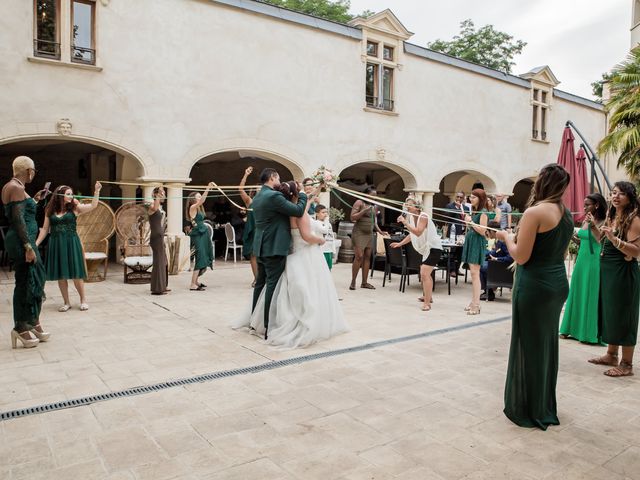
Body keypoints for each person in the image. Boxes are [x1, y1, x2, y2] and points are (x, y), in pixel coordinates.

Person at [497, 163, 573, 430]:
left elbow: (521, 256)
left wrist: (506, 237)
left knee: (529, 345)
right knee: (545, 345)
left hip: (535, 286)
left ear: (542, 182)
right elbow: (560, 253)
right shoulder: (566, 214)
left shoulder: (535, 212)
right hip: (557, 283)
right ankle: (543, 403)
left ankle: (530, 407)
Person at [237, 181, 347, 348]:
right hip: (304, 254)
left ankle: (264, 321)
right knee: (307, 292)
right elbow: (307, 236)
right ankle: (283, 324)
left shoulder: (286, 211)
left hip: (290, 254)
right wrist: (321, 239)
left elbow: (305, 203)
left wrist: (316, 188)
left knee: (283, 290)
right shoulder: (298, 212)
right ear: (297, 194)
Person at [588, 182, 640, 377]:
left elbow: (635, 252)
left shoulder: (634, 220)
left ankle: (627, 363)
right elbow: (602, 242)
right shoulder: (612, 215)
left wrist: (614, 239)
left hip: (623, 274)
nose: (615, 196)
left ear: (630, 196)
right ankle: (611, 354)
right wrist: (595, 227)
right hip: (609, 272)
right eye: (613, 193)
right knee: (611, 312)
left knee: (624, 314)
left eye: (620, 193)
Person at [251, 169, 307, 338]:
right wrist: (303, 194)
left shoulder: (258, 196)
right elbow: (298, 211)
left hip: (260, 246)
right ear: (272, 177)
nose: (279, 180)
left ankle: (255, 321)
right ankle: (269, 326)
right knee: (272, 287)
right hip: (273, 246)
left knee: (260, 284)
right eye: (278, 177)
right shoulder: (274, 197)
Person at [2, 156, 49, 348]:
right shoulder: (16, 187)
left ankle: (32, 321)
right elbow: (18, 220)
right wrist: (28, 247)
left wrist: (36, 199)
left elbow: (24, 212)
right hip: (23, 242)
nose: (34, 174)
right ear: (28, 170)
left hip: (26, 240)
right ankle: (20, 327)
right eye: (34, 171)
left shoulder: (16, 187)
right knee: (25, 284)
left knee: (36, 279)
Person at [35, 182, 102, 311]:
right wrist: (36, 243)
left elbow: (93, 205)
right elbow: (44, 229)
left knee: (76, 273)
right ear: (60, 195)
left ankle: (83, 300)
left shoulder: (75, 208)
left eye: (72, 194)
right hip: (56, 244)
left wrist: (97, 191)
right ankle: (66, 302)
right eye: (68, 194)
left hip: (72, 243)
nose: (71, 196)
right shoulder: (50, 210)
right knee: (61, 275)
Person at [559, 193, 607, 343]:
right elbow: (583, 239)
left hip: (594, 262)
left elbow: (601, 240)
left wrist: (593, 225)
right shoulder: (586, 219)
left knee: (589, 292)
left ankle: (587, 333)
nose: (584, 207)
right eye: (584, 204)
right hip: (581, 261)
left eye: (587, 205)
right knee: (577, 292)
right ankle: (569, 329)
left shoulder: (605, 220)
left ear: (597, 205)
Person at [390, 197, 443, 312]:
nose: (407, 207)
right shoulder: (411, 218)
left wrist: (404, 222)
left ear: (417, 207)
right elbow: (412, 235)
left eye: (410, 205)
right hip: (427, 249)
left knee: (424, 273)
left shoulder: (423, 216)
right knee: (425, 274)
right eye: (406, 205)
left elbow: (418, 232)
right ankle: (427, 296)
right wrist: (400, 244)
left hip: (433, 248)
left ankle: (427, 303)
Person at [349, 186, 386, 290]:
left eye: (375, 196)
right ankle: (353, 281)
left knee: (367, 257)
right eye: (372, 196)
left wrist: (380, 231)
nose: (374, 198)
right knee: (359, 256)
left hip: (369, 233)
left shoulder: (374, 206)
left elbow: (374, 222)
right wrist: (363, 211)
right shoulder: (359, 202)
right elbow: (352, 217)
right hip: (359, 232)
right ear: (366, 194)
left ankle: (364, 282)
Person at [460, 189, 488, 315]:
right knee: (473, 274)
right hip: (472, 241)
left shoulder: (483, 213)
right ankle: (473, 302)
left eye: (473, 197)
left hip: (477, 243)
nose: (471, 199)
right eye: (470, 197)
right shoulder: (475, 211)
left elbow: (482, 231)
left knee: (475, 274)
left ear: (480, 199)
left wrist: (470, 222)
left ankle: (476, 305)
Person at [186, 183, 214, 291]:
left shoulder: (198, 208)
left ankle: (196, 281)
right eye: (198, 196)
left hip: (203, 234)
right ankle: (192, 284)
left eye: (199, 196)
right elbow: (202, 200)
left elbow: (202, 200)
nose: (199, 198)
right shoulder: (193, 207)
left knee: (204, 255)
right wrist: (207, 187)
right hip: (198, 235)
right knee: (200, 258)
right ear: (193, 199)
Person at [479, 220, 512, 301]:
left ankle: (489, 292)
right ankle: (488, 291)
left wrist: (497, 259)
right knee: (480, 264)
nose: (487, 233)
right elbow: (496, 252)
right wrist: (483, 254)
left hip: (504, 268)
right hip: (499, 265)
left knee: (482, 267)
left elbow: (511, 257)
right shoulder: (498, 240)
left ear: (492, 231)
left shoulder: (503, 241)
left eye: (488, 231)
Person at [148, 186, 169, 295]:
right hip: (156, 238)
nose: (163, 195)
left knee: (163, 262)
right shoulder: (151, 206)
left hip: (160, 236)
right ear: (156, 195)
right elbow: (155, 208)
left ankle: (162, 285)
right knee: (158, 262)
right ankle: (157, 289)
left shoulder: (159, 207)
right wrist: (158, 194)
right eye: (162, 193)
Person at [239, 167, 257, 286]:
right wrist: (245, 175)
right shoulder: (250, 201)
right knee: (253, 255)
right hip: (253, 231)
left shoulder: (269, 200)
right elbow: (240, 189)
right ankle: (257, 279)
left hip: (265, 230)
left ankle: (264, 278)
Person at [313, 204, 335, 270]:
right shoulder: (316, 223)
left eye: (326, 212)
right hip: (321, 250)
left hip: (328, 250)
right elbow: (324, 231)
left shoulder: (328, 224)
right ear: (317, 214)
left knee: (329, 268)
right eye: (323, 212)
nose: (325, 214)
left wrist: (333, 250)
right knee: (322, 269)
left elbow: (331, 237)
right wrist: (326, 221)